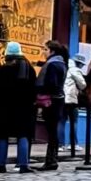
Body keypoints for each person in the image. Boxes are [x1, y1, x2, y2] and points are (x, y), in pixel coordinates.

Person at [0, 41, 36, 174]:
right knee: (23, 135)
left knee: (3, 136)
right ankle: (23, 164)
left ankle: (1, 165)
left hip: (5, 108)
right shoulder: (28, 68)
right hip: (23, 107)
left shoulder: (3, 68)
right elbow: (33, 90)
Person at [36, 41, 67, 171]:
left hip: (51, 100)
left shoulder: (52, 64)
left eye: (45, 49)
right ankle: (52, 159)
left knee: (51, 131)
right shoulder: (62, 63)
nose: (43, 51)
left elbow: (51, 84)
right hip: (59, 99)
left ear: (52, 51)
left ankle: (51, 160)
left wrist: (40, 91)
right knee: (53, 131)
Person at [62, 53, 87, 156]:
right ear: (79, 63)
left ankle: (60, 144)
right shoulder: (75, 70)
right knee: (74, 121)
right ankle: (73, 144)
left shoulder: (64, 67)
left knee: (61, 121)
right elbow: (83, 84)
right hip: (70, 99)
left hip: (61, 97)